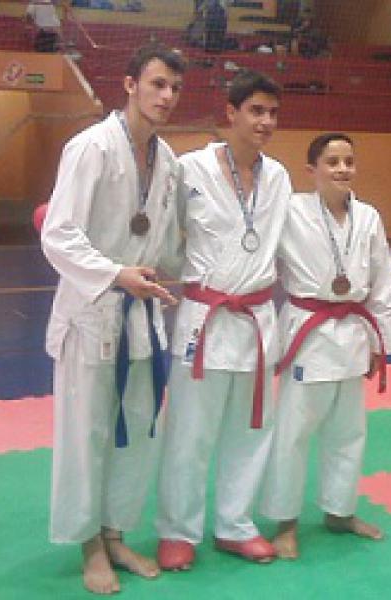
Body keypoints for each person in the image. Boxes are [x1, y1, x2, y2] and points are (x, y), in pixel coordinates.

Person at [41, 43, 186, 595]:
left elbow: (164, 242)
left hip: (141, 315)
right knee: (88, 435)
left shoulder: (168, 162)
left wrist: (194, 275)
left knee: (138, 431)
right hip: (92, 313)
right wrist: (115, 273)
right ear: (129, 84)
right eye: (157, 84)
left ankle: (116, 532)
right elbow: (59, 235)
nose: (166, 96)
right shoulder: (90, 148)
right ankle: (89, 544)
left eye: (174, 88)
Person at [155, 70, 292, 570]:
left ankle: (236, 525)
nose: (265, 122)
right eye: (256, 111)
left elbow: (287, 245)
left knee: (251, 431)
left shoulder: (279, 177)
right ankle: (178, 530)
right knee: (189, 434)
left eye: (272, 113)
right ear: (230, 113)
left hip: (257, 319)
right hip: (205, 320)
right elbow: (160, 230)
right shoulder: (189, 168)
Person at [259, 133, 391, 559]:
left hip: (353, 331)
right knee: (293, 433)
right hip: (310, 332)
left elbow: (383, 280)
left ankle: (339, 511)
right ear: (312, 170)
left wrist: (381, 342)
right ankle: (285, 521)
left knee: (348, 431)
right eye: (332, 161)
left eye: (349, 161)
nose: (343, 169)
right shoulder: (291, 211)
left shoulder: (369, 217)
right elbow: (262, 256)